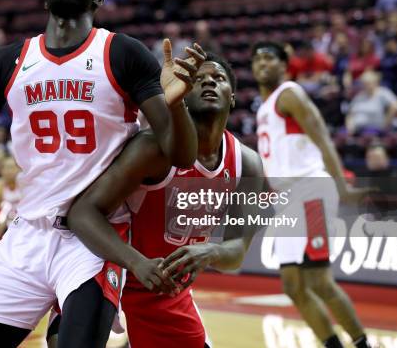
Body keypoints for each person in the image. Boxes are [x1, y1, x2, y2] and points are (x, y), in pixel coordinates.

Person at [0, 0, 204, 348]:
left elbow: (179, 155)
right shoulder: (9, 61)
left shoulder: (122, 53)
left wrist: (176, 107)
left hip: (92, 239)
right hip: (25, 236)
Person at [66, 53, 265, 347]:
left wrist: (209, 253)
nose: (208, 80)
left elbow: (236, 251)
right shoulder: (152, 148)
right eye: (197, 79)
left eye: (218, 78)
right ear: (182, 92)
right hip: (112, 276)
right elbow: (82, 213)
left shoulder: (247, 164)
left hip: (166, 292)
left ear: (232, 97)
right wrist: (137, 263)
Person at [251, 41, 372, 348]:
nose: (263, 63)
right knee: (293, 285)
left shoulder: (289, 94)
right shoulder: (263, 107)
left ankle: (361, 344)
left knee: (319, 281)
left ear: (284, 65)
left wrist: (341, 183)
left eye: (270, 58)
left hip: (309, 191)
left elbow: (321, 137)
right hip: (287, 198)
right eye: (258, 59)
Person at [346, 71, 397, 135]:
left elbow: (395, 106)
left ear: (375, 82)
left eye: (367, 83)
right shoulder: (360, 96)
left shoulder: (383, 93)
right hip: (357, 129)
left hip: (375, 129)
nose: (365, 85)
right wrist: (349, 127)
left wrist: (386, 123)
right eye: (363, 83)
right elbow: (350, 114)